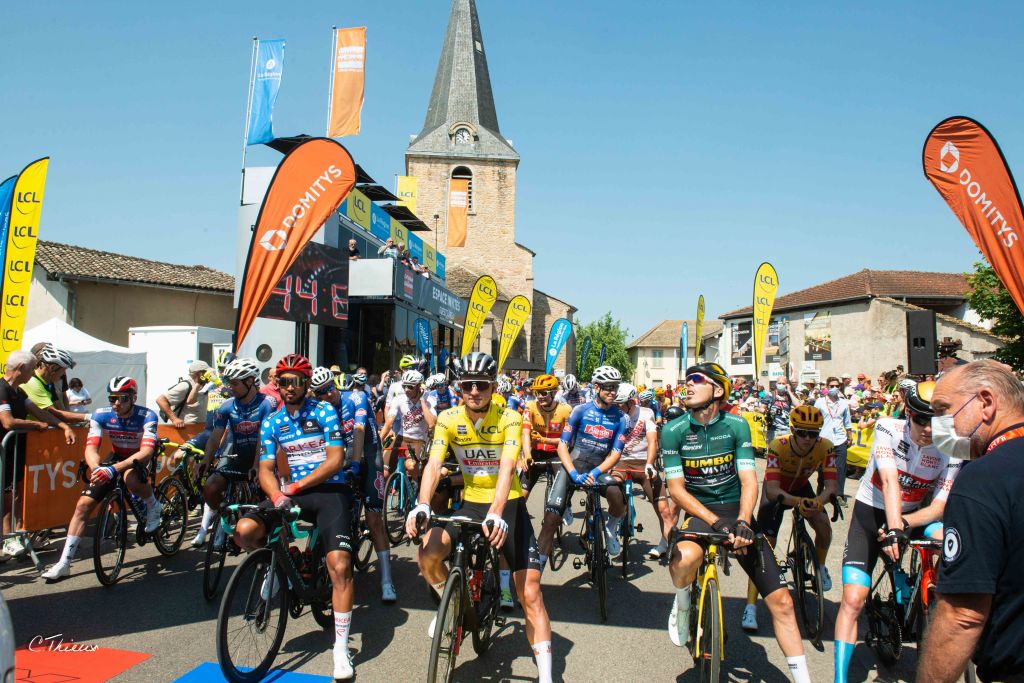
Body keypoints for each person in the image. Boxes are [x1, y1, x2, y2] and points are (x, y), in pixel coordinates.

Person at [405, 352, 554, 683]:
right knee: (428, 555)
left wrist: (498, 512)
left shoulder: (509, 418)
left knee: (529, 592)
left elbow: (506, 467)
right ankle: (453, 605)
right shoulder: (447, 418)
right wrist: (423, 504)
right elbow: (433, 464)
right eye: (468, 385)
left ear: (492, 388)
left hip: (508, 505)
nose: (475, 391)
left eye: (482, 386)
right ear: (460, 387)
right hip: (471, 502)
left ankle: (546, 675)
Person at [662, 362, 812, 683]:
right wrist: (715, 522)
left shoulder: (736, 425)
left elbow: (749, 480)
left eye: (696, 380)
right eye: (686, 381)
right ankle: (684, 599)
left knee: (783, 603)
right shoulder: (673, 431)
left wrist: (744, 521)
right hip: (700, 512)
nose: (687, 385)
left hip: (735, 511)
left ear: (718, 390)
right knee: (683, 561)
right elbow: (676, 489)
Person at [232, 354, 361, 680]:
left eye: (296, 381)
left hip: (329, 491)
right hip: (289, 492)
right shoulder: (273, 421)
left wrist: (295, 487)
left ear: (306, 384)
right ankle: (281, 559)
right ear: (277, 384)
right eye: (283, 381)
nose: (289, 387)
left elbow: (335, 460)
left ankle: (340, 648)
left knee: (341, 566)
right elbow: (264, 469)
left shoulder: (324, 411)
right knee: (244, 530)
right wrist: (276, 495)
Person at [833, 380, 960, 683]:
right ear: (907, 411)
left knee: (946, 540)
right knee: (853, 599)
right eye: (920, 419)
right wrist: (892, 529)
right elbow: (889, 481)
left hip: (917, 515)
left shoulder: (952, 446)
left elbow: (940, 506)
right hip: (873, 512)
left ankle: (938, 602)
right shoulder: (887, 427)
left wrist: (903, 525)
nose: (928, 428)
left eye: (936, 421)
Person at [917, 361, 1024, 682]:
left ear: (986, 402)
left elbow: (962, 615)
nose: (937, 424)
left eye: (942, 409)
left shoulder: (982, 478)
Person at [41, 376, 160, 581]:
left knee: (131, 480)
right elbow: (91, 448)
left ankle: (153, 505)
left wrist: (114, 469)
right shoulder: (101, 415)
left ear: (133, 398)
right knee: (83, 506)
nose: (116, 403)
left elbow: (146, 452)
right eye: (112, 398)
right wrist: (97, 468)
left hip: (138, 456)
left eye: (122, 398)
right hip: (116, 456)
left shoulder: (147, 415)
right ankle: (64, 563)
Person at [742, 406, 838, 632]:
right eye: (802, 433)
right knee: (764, 546)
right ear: (793, 430)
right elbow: (773, 491)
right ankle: (750, 606)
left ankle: (821, 567)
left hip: (803, 487)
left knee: (824, 526)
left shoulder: (826, 447)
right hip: (778, 491)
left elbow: (832, 486)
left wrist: (818, 502)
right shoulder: (778, 446)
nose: (807, 439)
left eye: (813, 434)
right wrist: (798, 503)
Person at [310, 367, 395, 603]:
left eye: (328, 389)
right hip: (343, 455)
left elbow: (358, 429)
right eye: (319, 393)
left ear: (334, 386)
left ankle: (386, 579)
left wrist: (356, 463)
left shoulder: (356, 397)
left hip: (368, 454)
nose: (326, 395)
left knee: (374, 520)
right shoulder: (319, 408)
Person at [539, 365, 629, 562]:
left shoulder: (622, 418)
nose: (613, 392)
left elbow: (615, 454)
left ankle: (611, 528)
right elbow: (562, 445)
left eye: (615, 387)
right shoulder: (580, 410)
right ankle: (536, 571)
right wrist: (572, 473)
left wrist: (596, 472)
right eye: (608, 387)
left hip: (598, 469)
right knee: (551, 518)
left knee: (618, 497)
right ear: (596, 388)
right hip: (573, 467)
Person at [190, 358, 276, 548]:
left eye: (235, 383)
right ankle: (226, 515)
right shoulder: (227, 405)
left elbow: (265, 438)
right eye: (229, 383)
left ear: (250, 381)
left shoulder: (267, 404)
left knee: (267, 501)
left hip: (262, 455)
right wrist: (206, 460)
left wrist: (256, 465)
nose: (230, 387)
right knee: (210, 487)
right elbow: (215, 436)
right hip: (238, 454)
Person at [0, 351, 76, 558]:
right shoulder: (2, 389)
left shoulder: (19, 392)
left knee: (12, 495)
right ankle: (8, 538)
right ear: (21, 368)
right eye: (32, 367)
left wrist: (62, 426)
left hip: (14, 450)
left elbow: (41, 412)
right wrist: (36, 425)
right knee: (7, 496)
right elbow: (7, 421)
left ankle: (11, 537)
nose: (34, 371)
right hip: (4, 451)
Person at [610, 383, 677, 560]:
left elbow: (652, 441)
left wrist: (649, 463)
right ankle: (612, 526)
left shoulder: (646, 413)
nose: (618, 407)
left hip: (642, 463)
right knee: (612, 491)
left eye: (621, 404)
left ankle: (666, 544)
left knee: (663, 509)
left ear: (631, 402)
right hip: (621, 463)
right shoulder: (614, 414)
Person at [521, 374, 572, 497]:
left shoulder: (565, 410)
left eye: (544, 393)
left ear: (554, 393)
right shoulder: (531, 406)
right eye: (536, 393)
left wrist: (544, 440)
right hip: (537, 453)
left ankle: (567, 509)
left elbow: (568, 441)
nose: (539, 397)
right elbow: (525, 432)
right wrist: (527, 454)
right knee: (521, 495)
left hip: (557, 454)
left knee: (562, 494)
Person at [22, 345, 83, 425]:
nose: (63, 375)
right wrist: (88, 417)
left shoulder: (46, 383)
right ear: (53, 368)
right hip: (26, 435)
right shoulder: (33, 383)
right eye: (63, 370)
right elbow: (55, 413)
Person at [814, 376, 852, 501]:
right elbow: (815, 419)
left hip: (840, 439)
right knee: (823, 469)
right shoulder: (820, 402)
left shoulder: (843, 403)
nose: (834, 388)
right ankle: (821, 489)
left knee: (840, 468)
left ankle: (839, 494)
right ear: (827, 387)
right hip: (824, 439)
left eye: (837, 386)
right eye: (832, 386)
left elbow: (847, 421)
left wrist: (849, 436)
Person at [155, 360, 211, 428]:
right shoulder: (185, 386)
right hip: (183, 431)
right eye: (206, 372)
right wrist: (174, 419)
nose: (209, 374)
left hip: (198, 429)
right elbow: (160, 400)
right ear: (198, 373)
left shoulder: (203, 385)